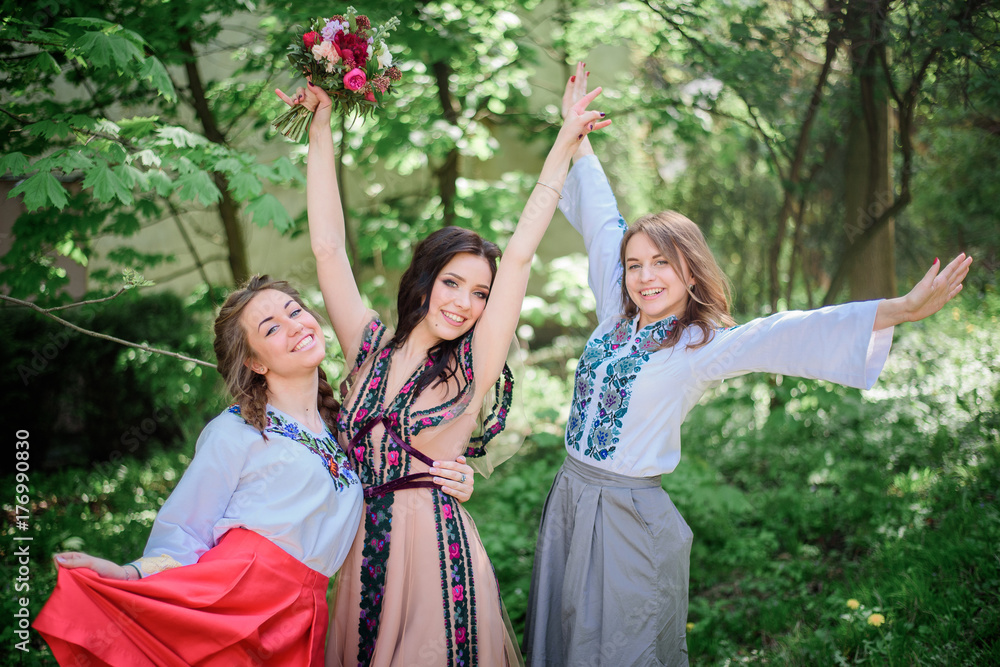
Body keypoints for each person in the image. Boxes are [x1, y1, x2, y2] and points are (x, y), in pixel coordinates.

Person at [522, 64, 974, 667]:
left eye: (661, 263)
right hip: (571, 498)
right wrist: (575, 136)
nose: (645, 275)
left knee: (620, 649)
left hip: (631, 516)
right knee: (563, 636)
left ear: (689, 270)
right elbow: (604, 220)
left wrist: (899, 309)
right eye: (635, 265)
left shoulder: (702, 344)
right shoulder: (615, 314)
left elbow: (783, 331)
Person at [272, 78, 609, 666]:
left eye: (480, 292)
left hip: (436, 558)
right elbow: (328, 249)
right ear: (425, 281)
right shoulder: (369, 348)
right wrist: (320, 127)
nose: (463, 303)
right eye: (452, 283)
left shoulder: (472, 368)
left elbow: (523, 252)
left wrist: (566, 139)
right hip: (360, 558)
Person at [33, 275, 473, 666]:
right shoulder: (236, 431)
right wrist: (129, 575)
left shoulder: (344, 430)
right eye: (272, 328)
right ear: (255, 363)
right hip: (234, 596)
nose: (296, 325)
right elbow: (186, 529)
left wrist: (455, 478)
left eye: (295, 311)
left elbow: (396, 478)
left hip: (306, 611)